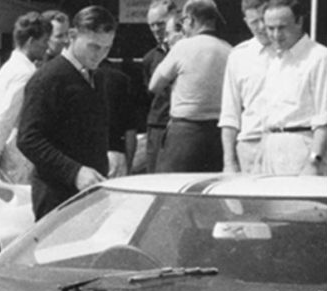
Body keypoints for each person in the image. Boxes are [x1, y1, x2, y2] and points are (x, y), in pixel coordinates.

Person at [17, 5, 115, 220]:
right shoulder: (48, 78)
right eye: (93, 46)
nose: (100, 55)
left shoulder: (97, 77)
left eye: (107, 48)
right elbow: (28, 138)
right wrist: (75, 172)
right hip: (57, 197)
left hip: (91, 194)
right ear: (72, 36)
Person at [149, 0, 231, 173]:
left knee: (171, 187)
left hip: (184, 134)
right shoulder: (229, 50)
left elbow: (154, 85)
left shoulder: (182, 47)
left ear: (191, 20)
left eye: (183, 21)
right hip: (219, 135)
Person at [0, 11, 50, 183]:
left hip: (3, 147)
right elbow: (4, 117)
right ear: (31, 41)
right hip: (14, 154)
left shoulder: (9, 67)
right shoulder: (25, 74)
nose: (47, 47)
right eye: (44, 41)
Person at [255, 0, 326, 175]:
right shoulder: (274, 61)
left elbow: (324, 118)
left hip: (303, 150)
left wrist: (314, 162)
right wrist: (259, 159)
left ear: (299, 21)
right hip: (271, 151)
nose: (276, 35)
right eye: (270, 28)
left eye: (282, 27)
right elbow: (269, 116)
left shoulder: (319, 58)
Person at [220, 0, 272, 173]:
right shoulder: (239, 56)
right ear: (246, 22)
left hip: (284, 144)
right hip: (250, 145)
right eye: (254, 22)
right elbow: (229, 114)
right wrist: (229, 162)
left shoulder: (291, 52)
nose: (261, 27)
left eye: (264, 19)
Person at [141, 0, 178, 172]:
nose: (156, 29)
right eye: (152, 25)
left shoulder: (187, 52)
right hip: (158, 126)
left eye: (160, 24)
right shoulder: (149, 58)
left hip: (181, 125)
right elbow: (149, 94)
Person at [98, 60, 137, 177]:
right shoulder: (122, 80)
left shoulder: (77, 79)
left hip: (85, 157)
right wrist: (129, 163)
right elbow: (130, 129)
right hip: (115, 153)